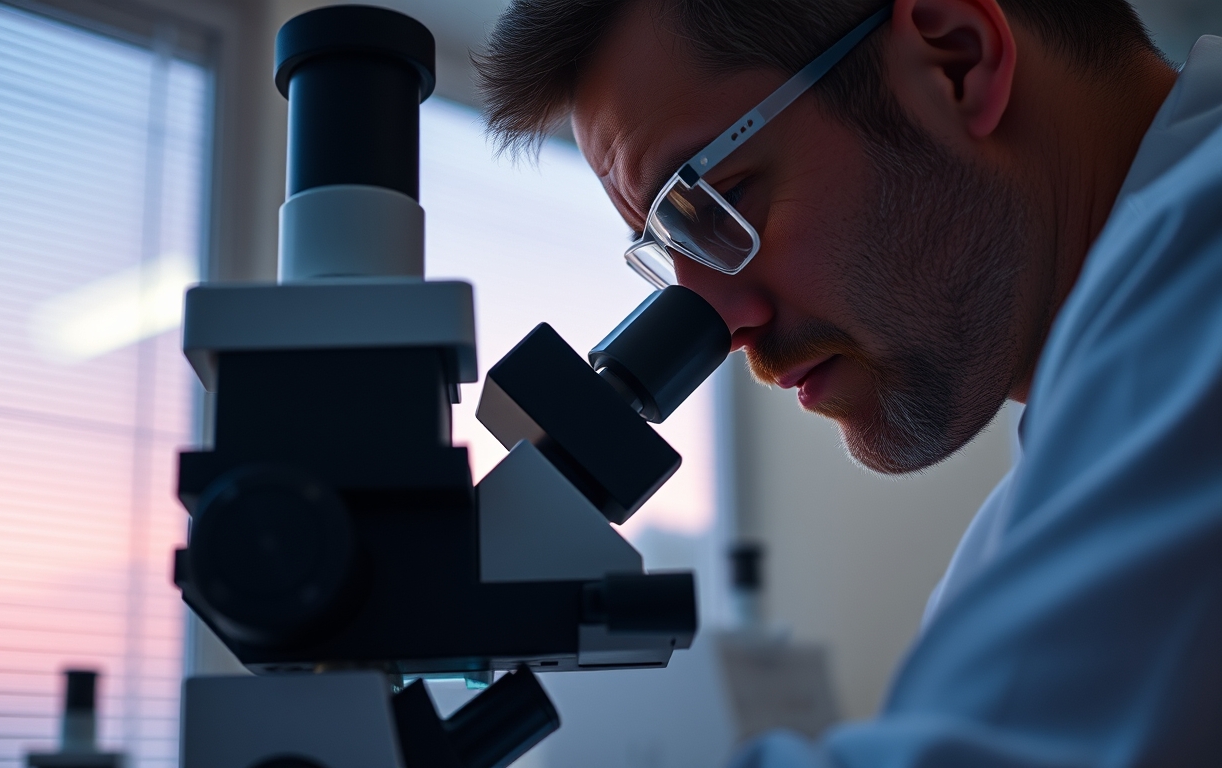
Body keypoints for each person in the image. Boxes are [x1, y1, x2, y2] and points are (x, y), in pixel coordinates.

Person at [474, 0, 1222, 764]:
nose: (726, 327)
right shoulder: (1058, 486)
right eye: (669, 251)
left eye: (725, 201)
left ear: (955, 62)